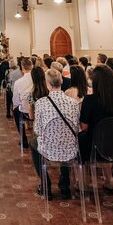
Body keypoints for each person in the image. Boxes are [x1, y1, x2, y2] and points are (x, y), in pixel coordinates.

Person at [30, 69, 80, 200]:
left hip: (48, 150)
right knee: (66, 138)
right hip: (70, 150)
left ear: (47, 84)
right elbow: (77, 127)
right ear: (62, 81)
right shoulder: (74, 103)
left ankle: (46, 184)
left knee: (33, 142)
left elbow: (38, 130)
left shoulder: (41, 103)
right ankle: (65, 185)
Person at [79, 65, 113, 193]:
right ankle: (109, 179)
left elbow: (84, 126)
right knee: (106, 138)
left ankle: (83, 180)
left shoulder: (90, 100)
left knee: (81, 139)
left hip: (94, 145)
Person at [12, 57, 34, 148]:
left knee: (16, 111)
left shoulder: (18, 82)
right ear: (32, 66)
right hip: (37, 111)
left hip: (25, 112)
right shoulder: (38, 79)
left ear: (22, 67)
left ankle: (23, 140)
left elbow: (16, 101)